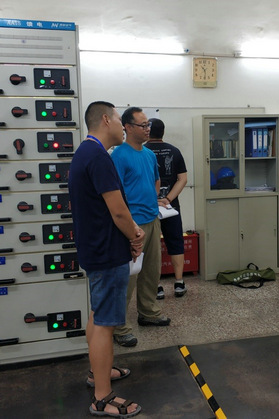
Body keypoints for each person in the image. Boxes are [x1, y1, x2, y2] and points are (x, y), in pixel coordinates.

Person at [68, 101, 143, 417]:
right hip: (108, 252)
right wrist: (135, 235)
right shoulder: (98, 157)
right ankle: (102, 397)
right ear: (105, 120)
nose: (123, 126)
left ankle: (96, 371)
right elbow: (118, 211)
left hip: (94, 248)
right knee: (105, 325)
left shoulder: (85, 153)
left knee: (97, 314)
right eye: (118, 118)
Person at [111, 107, 171, 349]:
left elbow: (156, 180)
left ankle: (148, 312)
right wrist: (130, 223)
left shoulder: (148, 154)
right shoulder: (119, 156)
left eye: (148, 125)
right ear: (127, 127)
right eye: (143, 125)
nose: (148, 129)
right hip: (132, 224)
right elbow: (115, 192)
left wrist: (153, 201)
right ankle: (119, 327)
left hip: (153, 219)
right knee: (128, 278)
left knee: (151, 271)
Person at [144, 118, 189, 298]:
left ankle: (156, 286)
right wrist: (168, 198)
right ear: (163, 131)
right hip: (171, 207)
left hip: (148, 207)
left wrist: (154, 200)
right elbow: (183, 179)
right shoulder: (174, 151)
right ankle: (179, 282)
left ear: (147, 131)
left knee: (151, 246)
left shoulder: (141, 151)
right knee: (175, 242)